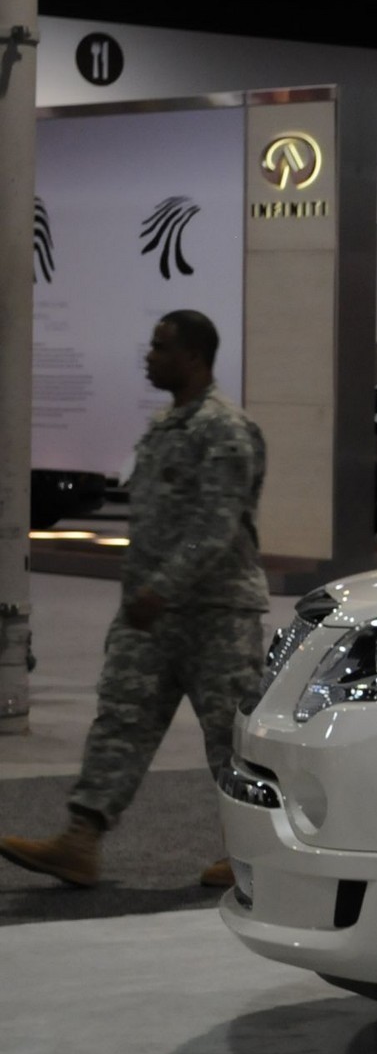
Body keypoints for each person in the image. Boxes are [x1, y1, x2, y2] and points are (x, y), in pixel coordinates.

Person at [2, 312, 267, 890]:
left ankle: (256, 854)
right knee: (120, 721)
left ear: (193, 356)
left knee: (231, 739)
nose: (149, 356)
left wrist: (162, 588)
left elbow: (214, 527)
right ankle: (79, 842)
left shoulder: (224, 429)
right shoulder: (164, 426)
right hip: (151, 616)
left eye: (160, 347)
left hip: (216, 615)